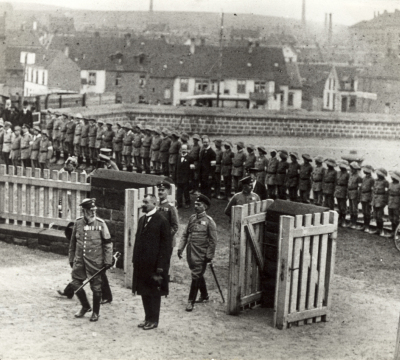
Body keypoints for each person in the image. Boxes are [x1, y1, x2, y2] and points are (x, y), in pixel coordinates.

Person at [132, 194, 172, 330]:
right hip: (142, 264)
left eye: (146, 202)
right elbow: (138, 241)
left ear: (154, 203)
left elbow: (166, 246)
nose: (143, 204)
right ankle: (147, 318)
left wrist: (161, 265)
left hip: (155, 265)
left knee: (154, 292)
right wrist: (135, 259)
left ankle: (154, 320)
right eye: (143, 202)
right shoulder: (142, 219)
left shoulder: (162, 220)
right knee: (144, 291)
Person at [69, 198, 113, 322]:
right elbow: (72, 243)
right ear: (84, 211)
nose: (92, 213)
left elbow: (108, 243)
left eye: (94, 210)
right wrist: (71, 259)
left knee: (96, 288)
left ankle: (95, 312)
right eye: (89, 210)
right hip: (80, 261)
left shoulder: (100, 224)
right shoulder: (78, 223)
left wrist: (108, 260)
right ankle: (85, 306)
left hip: (95, 262)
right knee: (75, 283)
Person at [178, 194, 217, 312]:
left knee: (195, 275)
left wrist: (209, 256)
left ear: (205, 206)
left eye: (198, 204)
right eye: (195, 204)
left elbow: (213, 241)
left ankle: (191, 301)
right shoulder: (192, 218)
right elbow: (185, 234)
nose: (195, 206)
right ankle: (204, 295)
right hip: (190, 253)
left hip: (201, 254)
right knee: (197, 273)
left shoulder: (209, 222)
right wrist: (180, 248)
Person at [157, 180, 179, 281]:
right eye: (159, 190)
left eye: (163, 190)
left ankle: (163, 288)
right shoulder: (155, 206)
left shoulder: (171, 208)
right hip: (156, 242)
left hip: (166, 242)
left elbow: (175, 226)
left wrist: (166, 236)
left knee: (164, 266)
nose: (160, 192)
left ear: (168, 192)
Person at [370, 168, 389, 236]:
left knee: (379, 216)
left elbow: (386, 193)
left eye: (379, 174)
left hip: (381, 200)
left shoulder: (385, 182)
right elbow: (373, 190)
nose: (377, 175)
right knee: (375, 215)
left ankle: (381, 230)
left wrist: (385, 202)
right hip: (375, 199)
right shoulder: (375, 180)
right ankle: (378, 229)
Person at [199, 135, 216, 200]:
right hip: (202, 173)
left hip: (208, 173)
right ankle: (202, 199)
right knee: (202, 186)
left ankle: (207, 200)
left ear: (209, 142)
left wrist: (210, 174)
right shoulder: (202, 151)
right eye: (204, 142)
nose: (205, 144)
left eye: (206, 142)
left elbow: (213, 165)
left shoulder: (212, 152)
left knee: (208, 187)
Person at [176, 144, 193, 208]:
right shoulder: (178, 157)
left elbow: (191, 170)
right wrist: (175, 177)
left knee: (186, 191)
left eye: (185, 149)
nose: (183, 150)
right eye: (182, 149)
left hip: (186, 178)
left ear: (187, 150)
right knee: (179, 192)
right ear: (181, 149)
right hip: (179, 178)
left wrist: (190, 178)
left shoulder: (190, 158)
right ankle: (179, 203)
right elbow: (176, 168)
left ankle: (187, 203)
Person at [347, 162, 363, 229]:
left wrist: (358, 197)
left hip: (355, 193)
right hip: (350, 192)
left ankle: (354, 223)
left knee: (354, 209)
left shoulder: (358, 177)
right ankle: (351, 222)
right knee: (351, 208)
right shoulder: (351, 175)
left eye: (352, 168)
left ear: (355, 169)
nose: (351, 169)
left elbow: (359, 188)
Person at [360, 165, 375, 233]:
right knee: (364, 212)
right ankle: (364, 225)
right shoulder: (363, 178)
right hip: (363, 196)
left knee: (367, 212)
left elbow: (372, 191)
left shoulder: (372, 179)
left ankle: (367, 226)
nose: (364, 171)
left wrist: (371, 199)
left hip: (368, 197)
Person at [335, 161, 350, 227]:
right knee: (339, 206)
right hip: (338, 190)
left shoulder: (347, 174)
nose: (340, 167)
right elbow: (336, 181)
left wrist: (347, 194)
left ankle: (343, 220)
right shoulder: (338, 173)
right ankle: (339, 219)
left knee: (343, 206)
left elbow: (348, 185)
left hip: (344, 190)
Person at [386, 171, 400, 238]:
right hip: (390, 202)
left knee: (396, 219)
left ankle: (396, 233)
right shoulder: (390, 184)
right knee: (391, 218)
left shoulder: (399, 185)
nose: (392, 177)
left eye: (393, 176)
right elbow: (388, 193)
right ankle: (392, 232)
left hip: (396, 202)